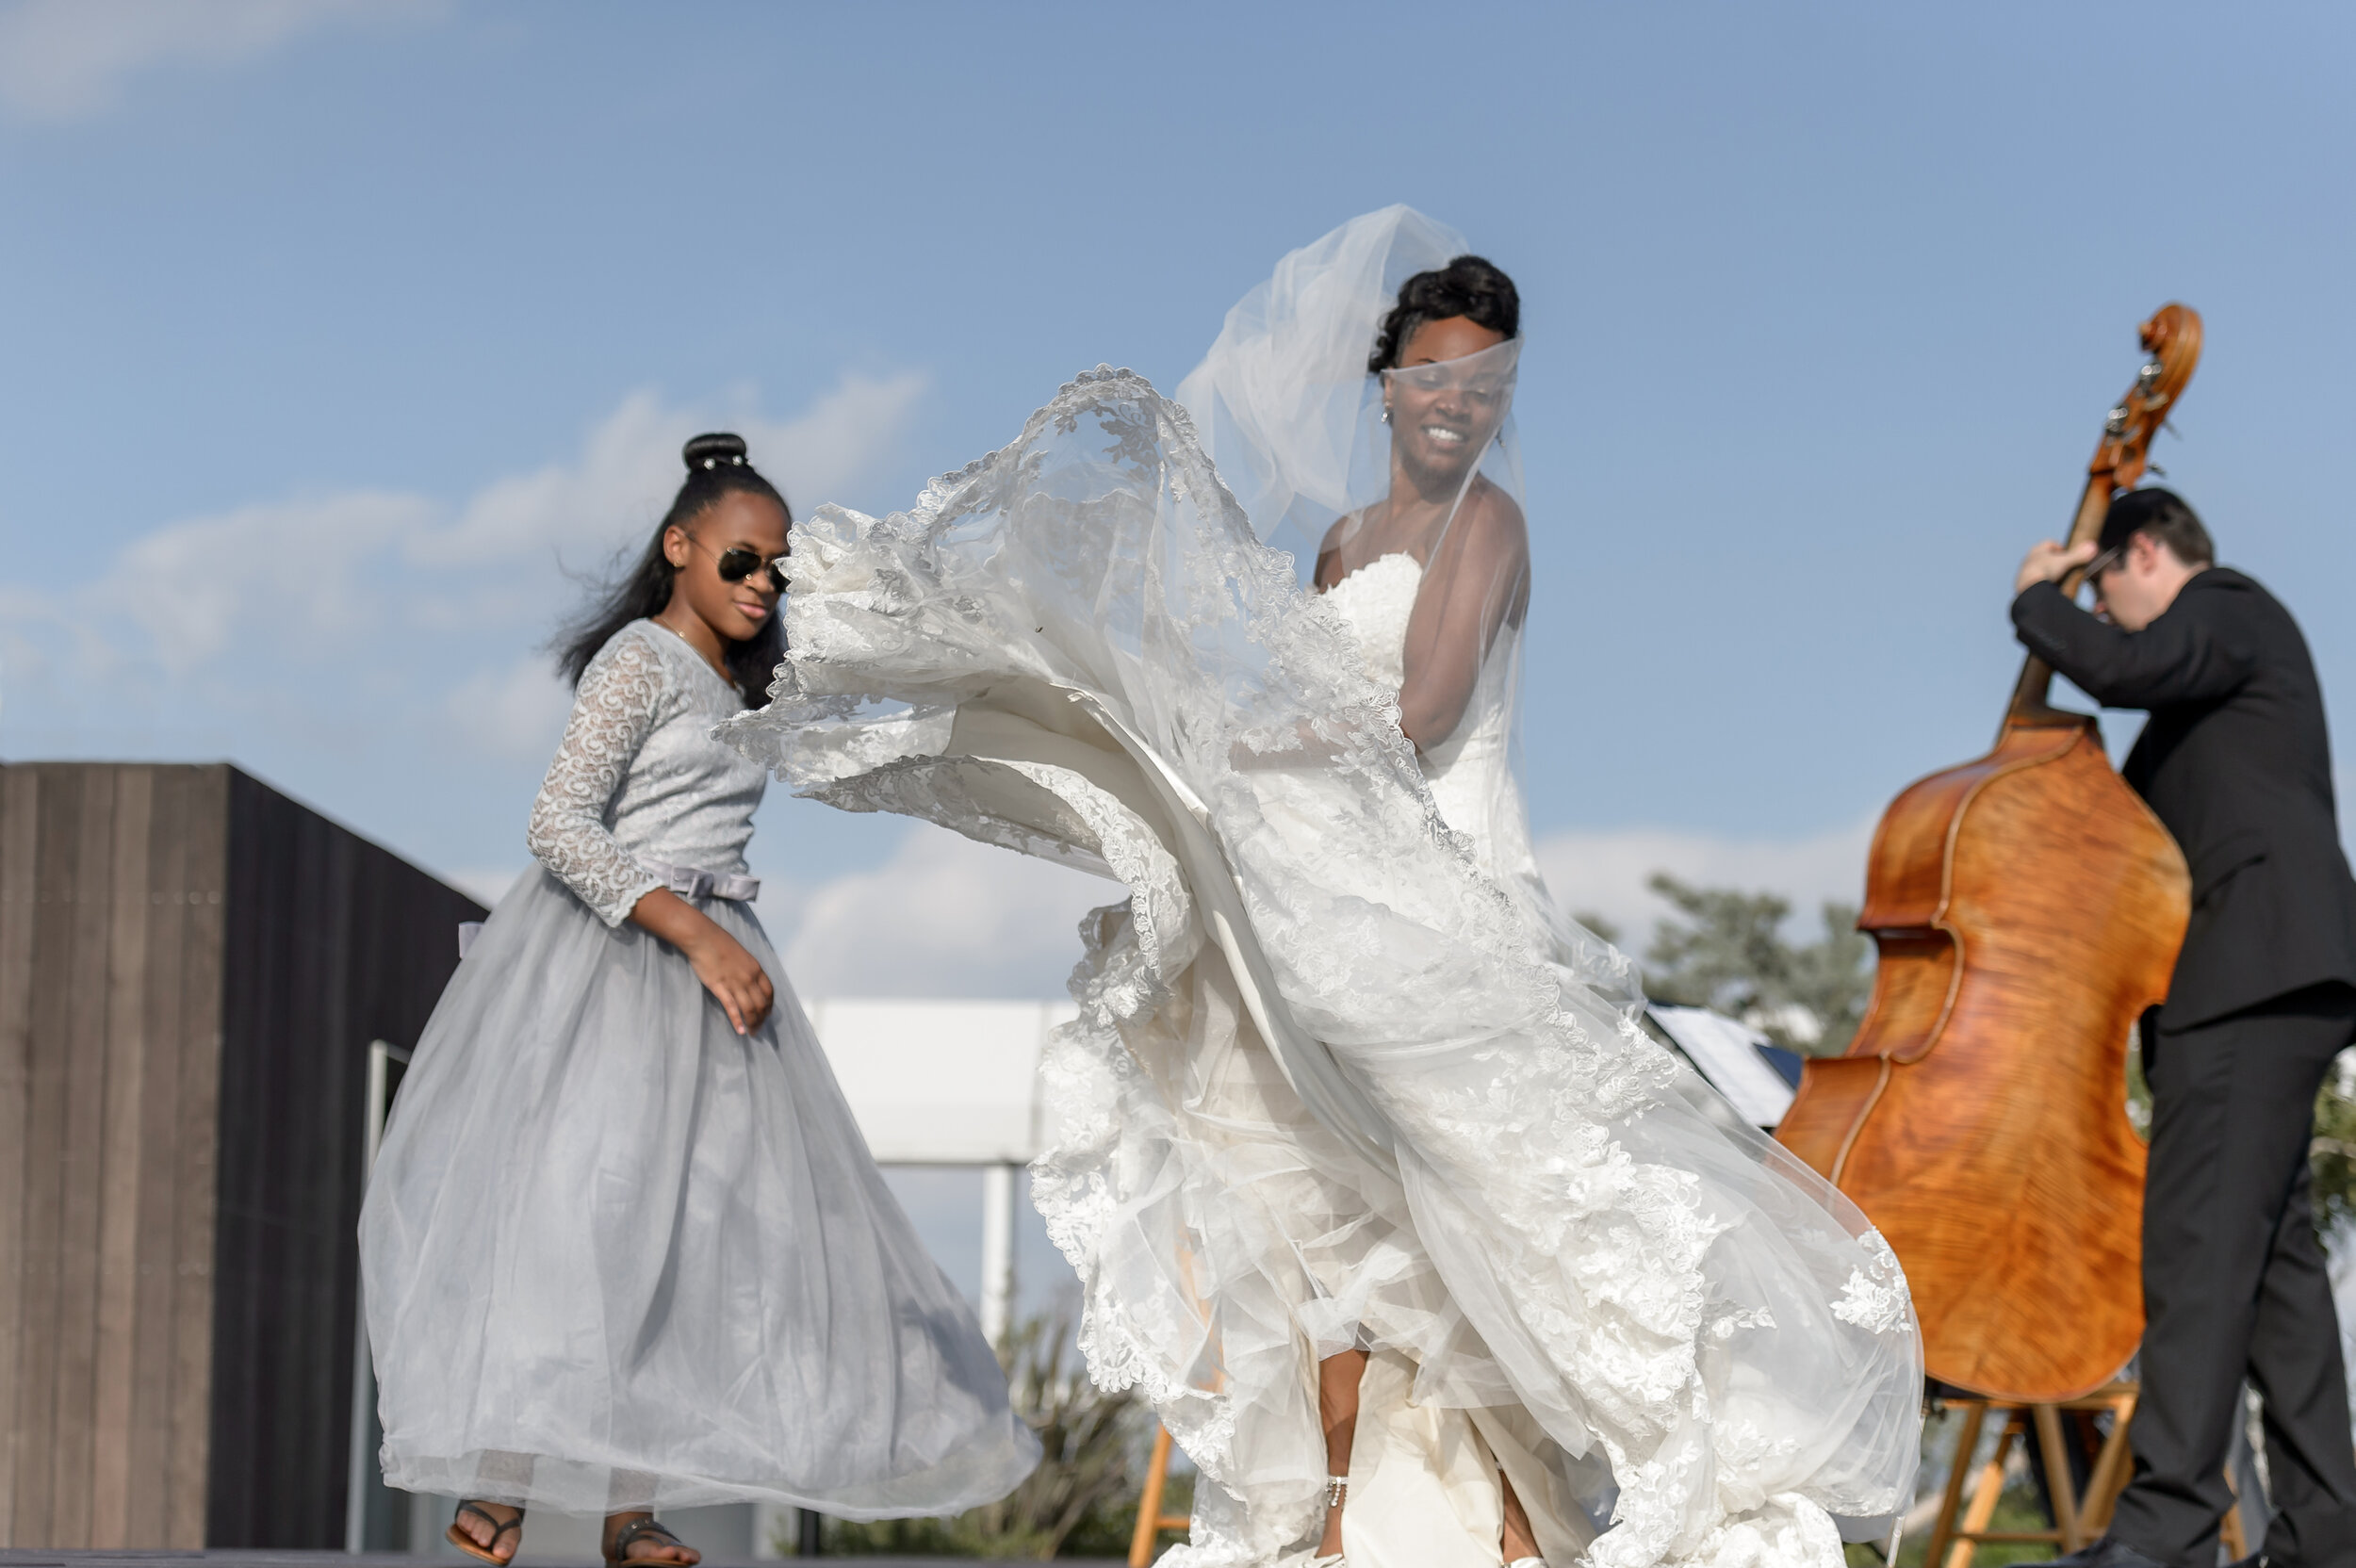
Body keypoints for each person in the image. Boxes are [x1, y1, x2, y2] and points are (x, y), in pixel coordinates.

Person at [722, 208, 1921, 1568]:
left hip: (1443, 884)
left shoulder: (1494, 523)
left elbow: (1420, 708)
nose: (1455, 405)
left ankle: (1538, 1526)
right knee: (1328, 1202)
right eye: (1431, 381)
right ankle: (1351, 1523)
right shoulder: (1345, 542)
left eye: (1483, 384)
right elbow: (1297, 687)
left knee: (1480, 1200)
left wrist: (1241, 741)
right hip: (1332, 874)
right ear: (1387, 387)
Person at [359, 433, 1038, 1568]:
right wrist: (695, 939)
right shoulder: (640, 659)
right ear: (679, 548)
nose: (760, 584)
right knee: (577, 1221)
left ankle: (631, 1512)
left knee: (682, 1235)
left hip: (715, 981)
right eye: (739, 561)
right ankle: (505, 1481)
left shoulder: (744, 681)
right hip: (616, 963)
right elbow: (558, 823)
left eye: (777, 568)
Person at [2008, 488, 2356, 1568]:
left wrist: (2034, 600)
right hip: (2267, 978)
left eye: (2105, 591)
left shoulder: (2228, 605)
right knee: (2271, 1274)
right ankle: (2328, 1536)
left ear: (2144, 552)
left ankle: (2167, 1530)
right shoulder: (2202, 704)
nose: (2103, 618)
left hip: (2248, 981)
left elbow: (2120, 669)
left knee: (2198, 1255)